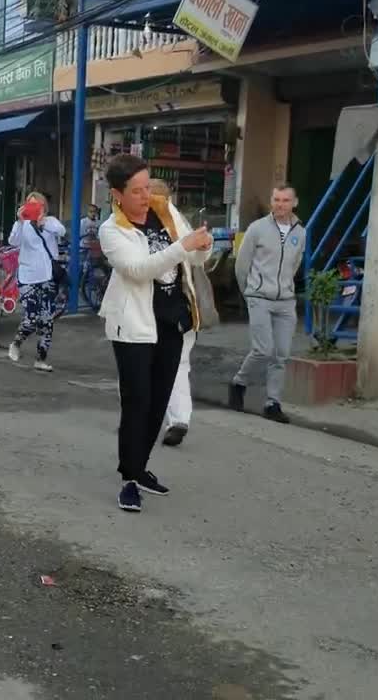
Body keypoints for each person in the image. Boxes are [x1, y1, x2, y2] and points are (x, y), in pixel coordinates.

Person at [98, 155, 212, 513]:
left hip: (172, 321)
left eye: (148, 186)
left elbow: (191, 261)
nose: (146, 195)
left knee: (159, 402)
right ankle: (128, 479)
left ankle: (141, 467)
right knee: (137, 404)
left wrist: (202, 247)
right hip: (133, 327)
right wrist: (184, 246)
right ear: (117, 194)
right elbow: (138, 269)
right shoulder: (112, 230)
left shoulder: (165, 211)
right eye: (136, 190)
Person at [149, 181, 220, 447]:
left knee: (178, 364)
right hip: (142, 308)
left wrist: (203, 246)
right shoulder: (126, 223)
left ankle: (178, 421)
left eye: (161, 198)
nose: (158, 203)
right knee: (141, 365)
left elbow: (197, 259)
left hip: (178, 304)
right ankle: (143, 417)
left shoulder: (177, 220)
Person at [230, 184, 306, 424]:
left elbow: (295, 264)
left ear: (294, 203)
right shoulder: (257, 229)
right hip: (259, 297)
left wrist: (286, 287)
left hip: (285, 301)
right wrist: (249, 292)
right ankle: (239, 383)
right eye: (276, 199)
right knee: (263, 349)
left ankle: (272, 403)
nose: (280, 204)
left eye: (285, 200)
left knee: (281, 354)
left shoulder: (300, 232)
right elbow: (242, 265)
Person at [6, 192, 66, 372]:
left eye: (37, 205)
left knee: (47, 319)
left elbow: (61, 231)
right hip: (27, 277)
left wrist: (43, 223)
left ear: (44, 207)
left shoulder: (50, 222)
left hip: (47, 276)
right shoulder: (22, 225)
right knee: (31, 317)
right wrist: (19, 220)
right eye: (30, 205)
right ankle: (16, 343)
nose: (34, 208)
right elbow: (13, 241)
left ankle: (41, 358)